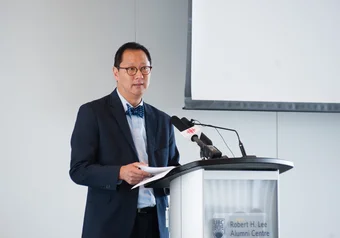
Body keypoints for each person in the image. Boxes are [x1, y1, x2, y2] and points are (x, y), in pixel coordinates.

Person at [69, 42, 180, 238]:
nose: (139, 75)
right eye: (131, 69)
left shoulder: (163, 120)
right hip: (110, 226)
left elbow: (172, 170)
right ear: (115, 72)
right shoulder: (93, 113)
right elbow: (79, 170)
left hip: (155, 225)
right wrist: (119, 173)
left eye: (145, 68)